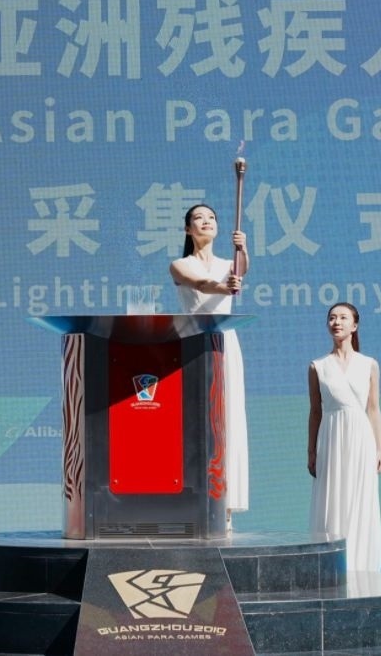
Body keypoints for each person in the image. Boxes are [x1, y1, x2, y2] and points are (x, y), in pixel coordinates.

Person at [169, 203, 249, 531]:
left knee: (225, 419)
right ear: (188, 229)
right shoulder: (179, 265)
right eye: (199, 218)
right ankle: (191, 500)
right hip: (192, 342)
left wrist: (243, 248)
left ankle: (223, 504)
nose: (207, 221)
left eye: (212, 217)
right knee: (194, 420)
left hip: (224, 342)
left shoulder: (229, 263)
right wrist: (224, 286)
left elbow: (240, 270)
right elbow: (202, 285)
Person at [307, 302, 381, 572]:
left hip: (361, 438)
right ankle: (332, 566)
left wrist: (380, 448)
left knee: (359, 499)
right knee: (333, 498)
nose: (336, 322)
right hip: (331, 437)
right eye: (332, 318)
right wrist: (311, 451)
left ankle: (360, 565)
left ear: (355, 325)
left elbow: (373, 409)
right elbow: (315, 411)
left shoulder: (369, 364)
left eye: (342, 318)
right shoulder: (318, 366)